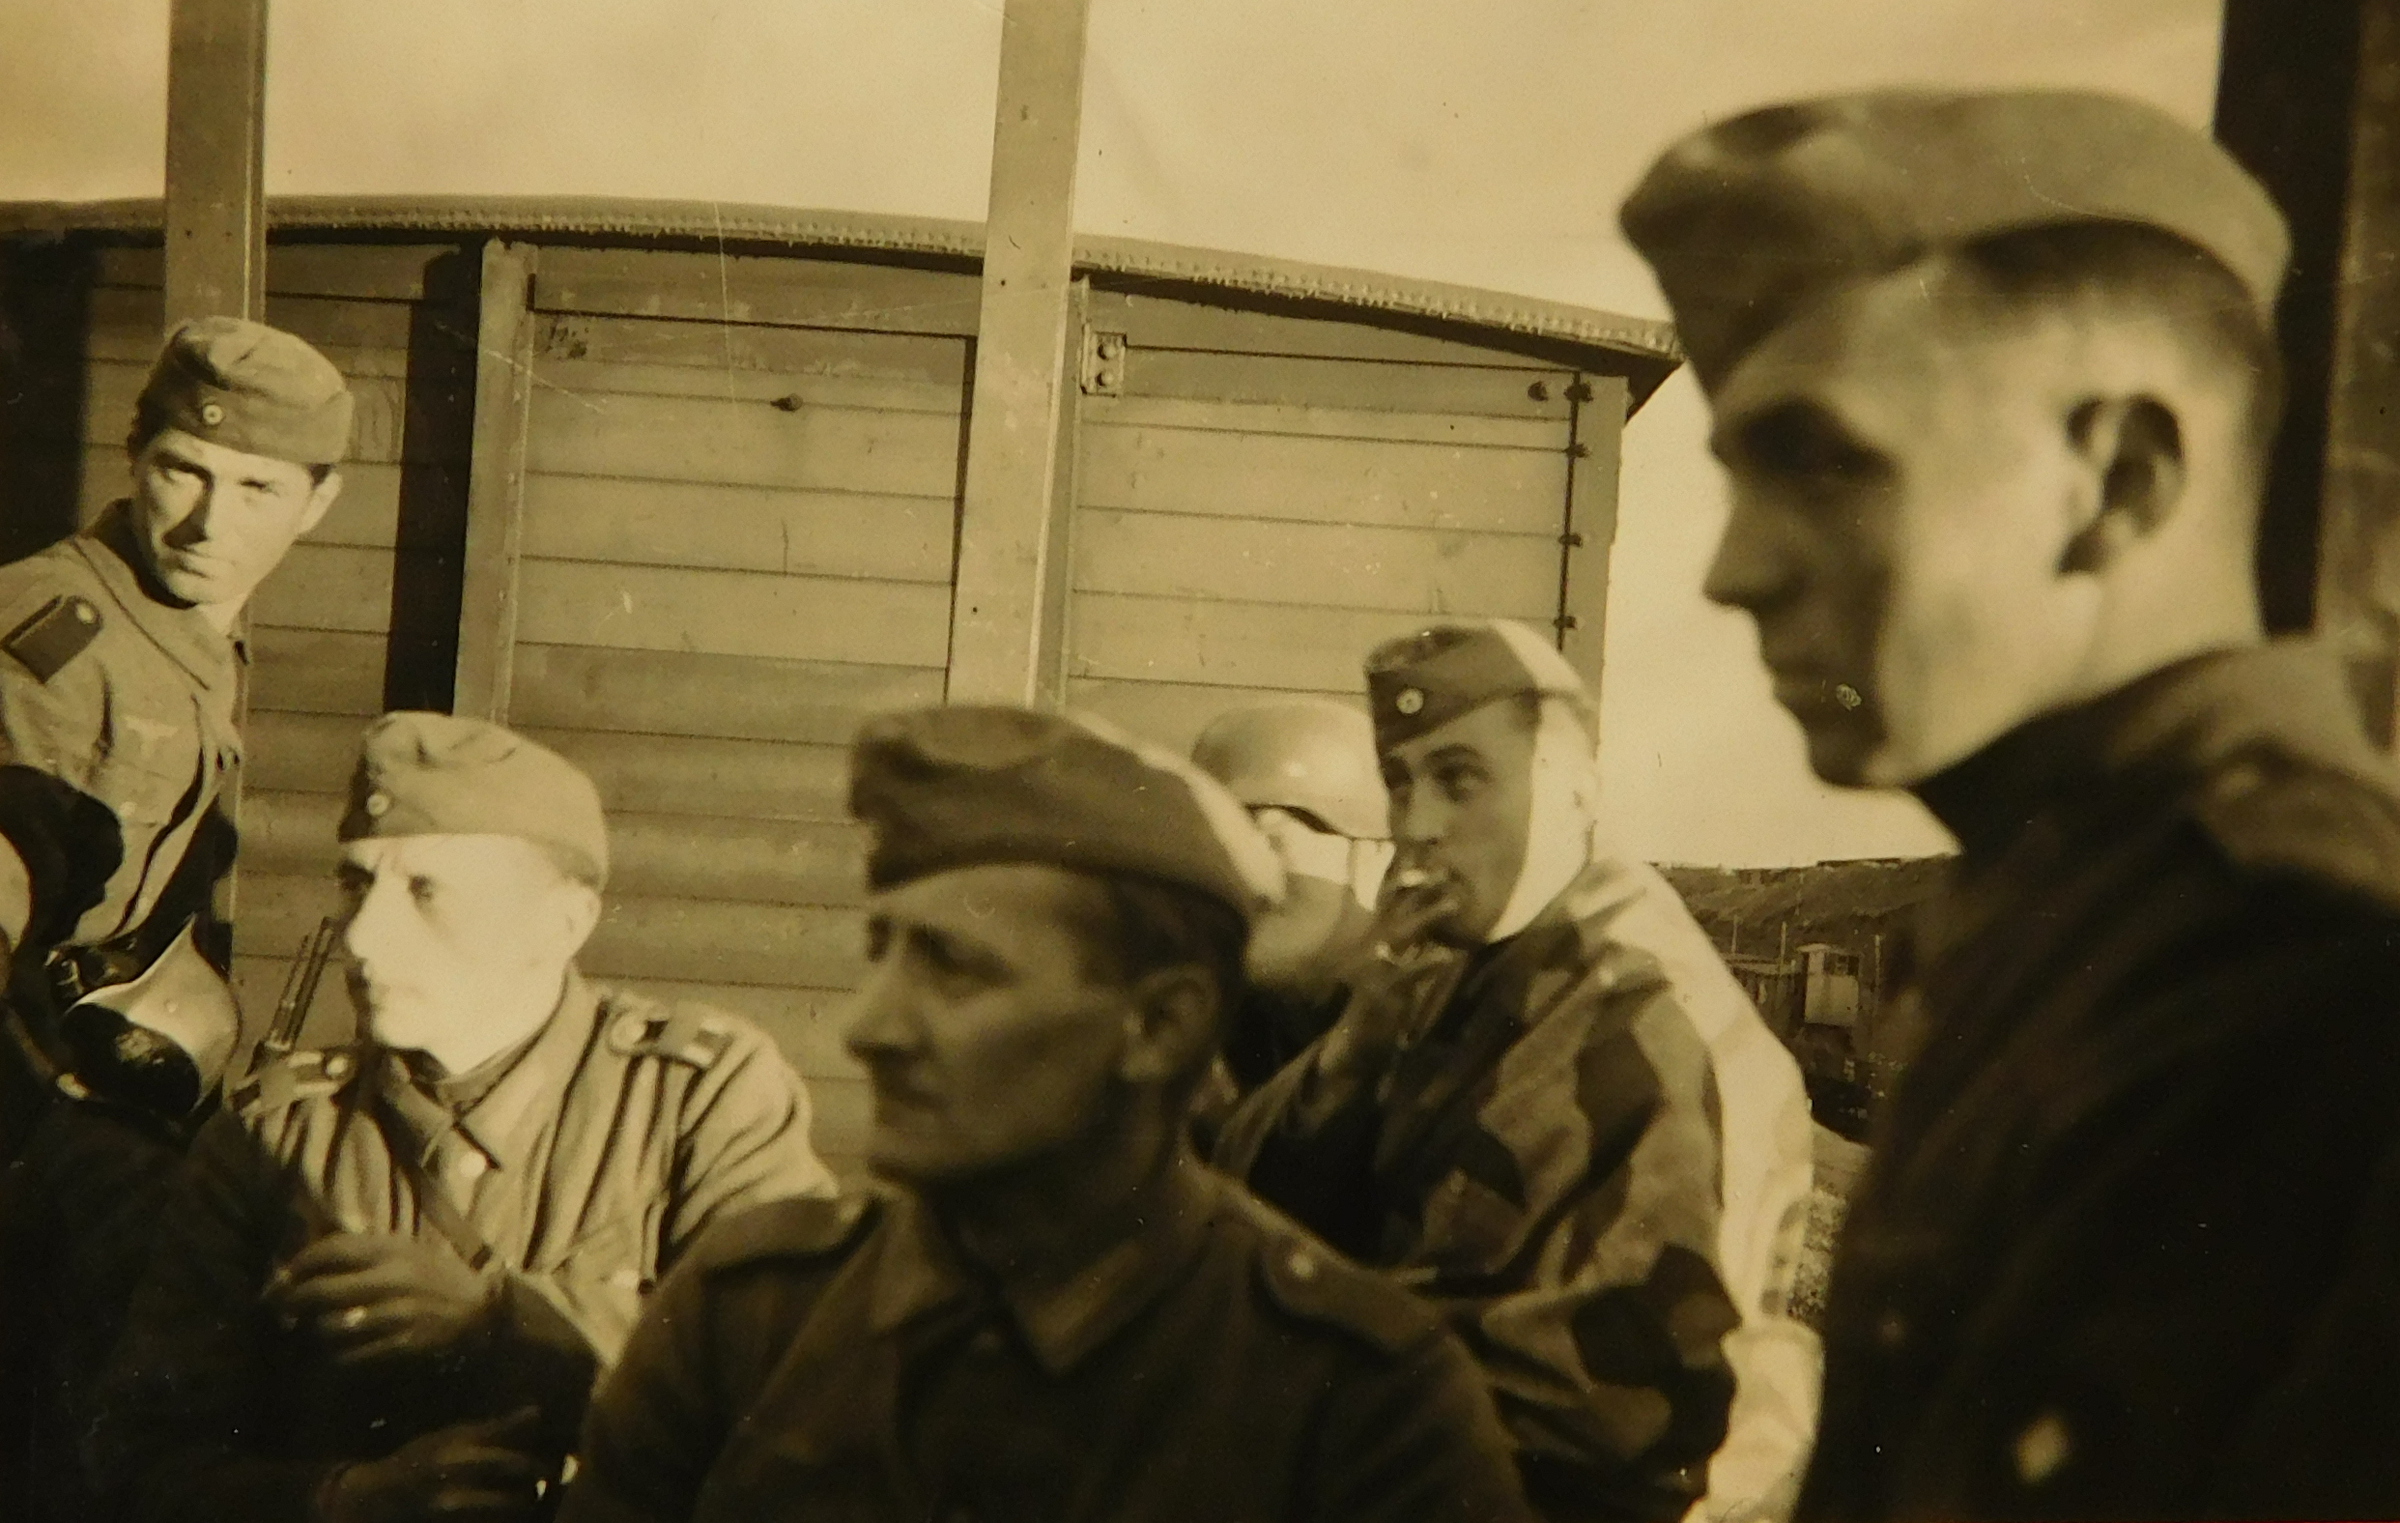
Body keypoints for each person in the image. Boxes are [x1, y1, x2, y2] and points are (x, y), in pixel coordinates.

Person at [1623, 88, 2400, 1519]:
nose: (1733, 572)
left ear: (2119, 477)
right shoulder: (2079, 913)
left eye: (1823, 463)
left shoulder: (2301, 971)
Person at [560, 705, 1537, 1523]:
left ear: (1159, 1024)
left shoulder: (1359, 1395)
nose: (870, 1025)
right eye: (882, 952)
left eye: (954, 967)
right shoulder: (747, 1314)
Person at [90, 712, 835, 1523]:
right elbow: (139, 1458)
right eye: (356, 883)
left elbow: (802, 1390)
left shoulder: (700, 1096)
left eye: (426, 890)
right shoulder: (273, 1133)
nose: (362, 936)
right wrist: (343, 1498)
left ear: (563, 923)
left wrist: (501, 1320)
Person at [1213, 620, 1817, 1523]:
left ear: (1574, 791)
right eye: (1400, 783)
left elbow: (1588, 1413)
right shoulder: (1458, 963)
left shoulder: (1639, 1017)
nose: (1417, 824)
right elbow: (1245, 1198)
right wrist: (1354, 1048)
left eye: (1460, 779)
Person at [0, 316, 351, 1522]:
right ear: (134, 454)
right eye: (182, 472)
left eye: (257, 488)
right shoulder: (49, 638)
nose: (209, 523)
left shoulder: (191, 628)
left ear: (318, 503)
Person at [1189, 699, 1394, 1091]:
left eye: (1270, 840)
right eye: (1217, 845)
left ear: (1375, 857)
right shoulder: (1210, 1030)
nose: (1239, 876)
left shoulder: (1427, 1037)